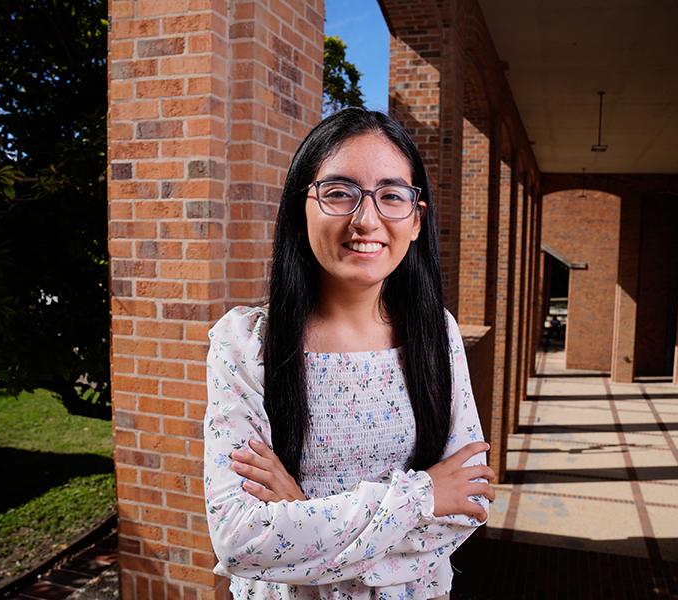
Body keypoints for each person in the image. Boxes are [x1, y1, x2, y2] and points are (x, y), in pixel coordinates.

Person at [204, 107, 495, 600]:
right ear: (302, 211)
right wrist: (422, 495)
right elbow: (240, 539)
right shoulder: (247, 342)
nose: (366, 219)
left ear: (417, 219)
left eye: (391, 196)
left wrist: (299, 511)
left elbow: (466, 507)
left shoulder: (436, 335)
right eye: (339, 193)